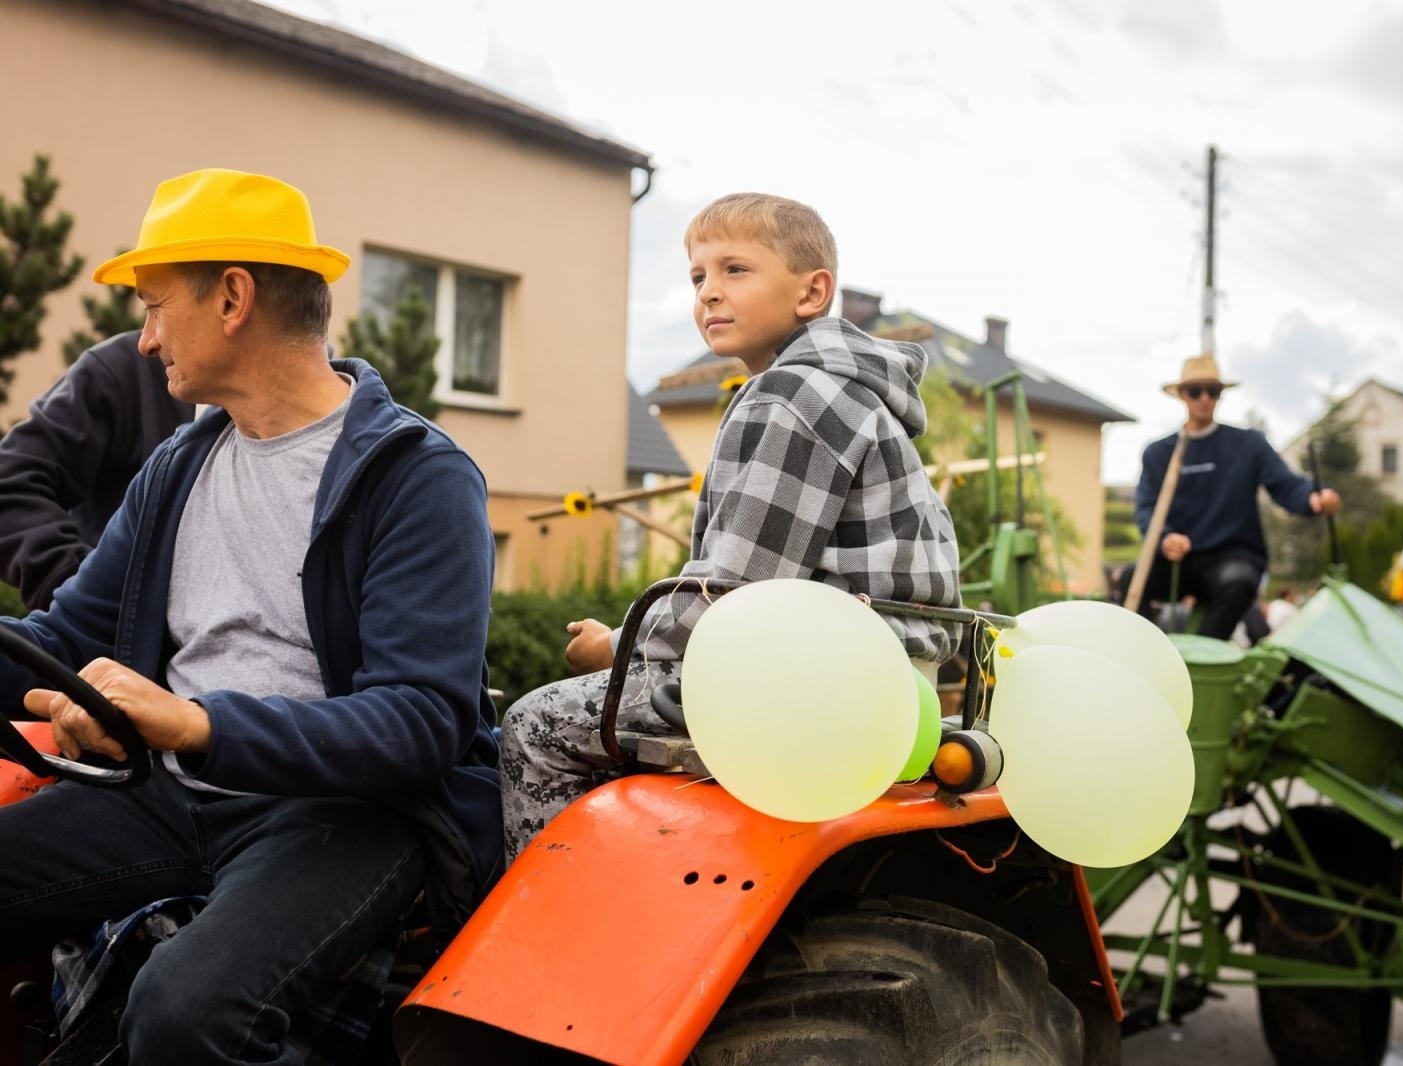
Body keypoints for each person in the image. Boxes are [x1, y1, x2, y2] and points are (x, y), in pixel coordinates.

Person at [0, 169, 502, 1066]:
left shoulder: (419, 477)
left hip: (342, 818)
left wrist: (196, 723)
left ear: (232, 296)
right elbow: (61, 643)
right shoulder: (178, 468)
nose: (145, 339)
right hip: (169, 801)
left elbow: (423, 721)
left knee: (186, 1014)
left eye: (155, 307)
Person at [500, 192, 962, 857]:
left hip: (812, 679)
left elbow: (738, 592)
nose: (709, 293)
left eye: (735, 270)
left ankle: (550, 934)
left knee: (533, 727)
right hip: (883, 668)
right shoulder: (853, 393)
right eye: (698, 277)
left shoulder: (794, 395)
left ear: (813, 292)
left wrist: (620, 645)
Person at [1132, 353, 1340, 641]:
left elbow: (1286, 485)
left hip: (1231, 558)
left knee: (1240, 581)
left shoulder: (1248, 444)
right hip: (1180, 561)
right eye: (1195, 391)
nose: (1204, 398)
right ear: (1182, 395)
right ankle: (1145, 652)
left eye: (1212, 391)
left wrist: (1314, 497)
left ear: (1220, 396)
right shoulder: (1158, 453)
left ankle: (1200, 659)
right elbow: (1145, 510)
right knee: (1130, 579)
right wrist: (1166, 538)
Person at [0, 332, 192, 611]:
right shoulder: (123, 372)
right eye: (152, 305)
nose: (148, 340)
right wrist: (85, 594)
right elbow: (8, 482)